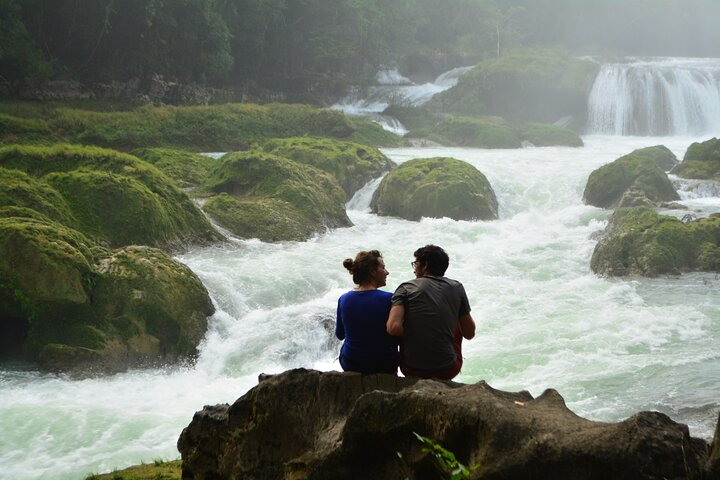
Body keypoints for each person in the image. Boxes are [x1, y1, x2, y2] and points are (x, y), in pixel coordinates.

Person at [386, 244, 475, 380]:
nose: (414, 270)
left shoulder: (406, 288)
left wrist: (416, 330)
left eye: (416, 264)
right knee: (455, 320)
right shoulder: (457, 288)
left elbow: (393, 328)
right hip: (448, 369)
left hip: (411, 368)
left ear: (425, 265)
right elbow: (469, 333)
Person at [336, 250, 399, 374]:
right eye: (383, 268)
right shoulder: (390, 299)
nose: (387, 272)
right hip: (383, 365)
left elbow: (340, 335)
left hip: (350, 362)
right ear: (372, 272)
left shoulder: (344, 299)